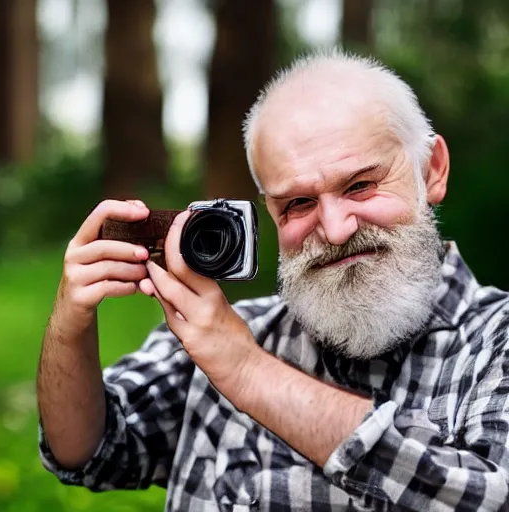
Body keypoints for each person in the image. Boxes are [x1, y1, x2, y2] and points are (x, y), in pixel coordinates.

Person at [37, 49, 509, 511]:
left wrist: (247, 371)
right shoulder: (229, 333)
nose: (336, 228)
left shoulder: (494, 340)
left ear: (433, 170)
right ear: (269, 211)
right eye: (298, 203)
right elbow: (89, 452)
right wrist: (70, 323)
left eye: (360, 185)